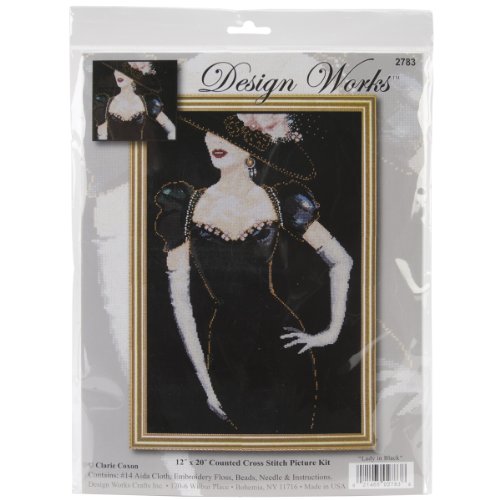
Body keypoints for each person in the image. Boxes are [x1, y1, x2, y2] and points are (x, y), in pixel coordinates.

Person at [155, 113, 352, 433]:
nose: (216, 141)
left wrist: (330, 334)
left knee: (293, 443)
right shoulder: (186, 206)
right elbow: (180, 303)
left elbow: (341, 260)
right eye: (211, 131)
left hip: (284, 346)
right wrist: (205, 382)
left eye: (229, 133)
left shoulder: (280, 201)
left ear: (253, 145)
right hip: (225, 351)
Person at [94, 61, 176, 141]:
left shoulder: (147, 102)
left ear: (136, 77)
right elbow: (102, 137)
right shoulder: (105, 103)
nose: (119, 74)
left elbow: (172, 130)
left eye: (125, 71)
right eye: (118, 69)